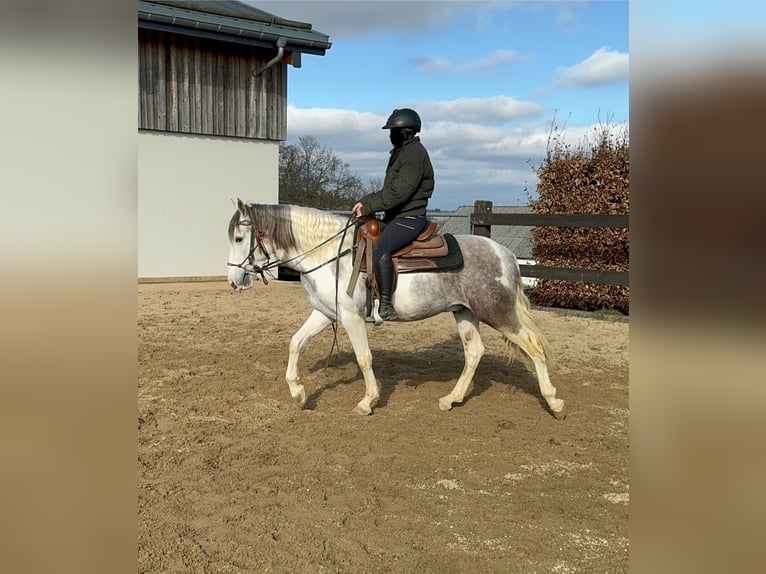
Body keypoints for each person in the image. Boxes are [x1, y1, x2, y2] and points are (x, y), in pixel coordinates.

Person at [352, 108, 435, 321]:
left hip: (410, 218)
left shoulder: (414, 155)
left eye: (393, 131)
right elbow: (388, 191)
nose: (390, 135)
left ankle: (387, 306)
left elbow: (399, 192)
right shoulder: (402, 153)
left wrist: (370, 207)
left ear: (405, 132)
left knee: (380, 250)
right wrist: (365, 203)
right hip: (396, 217)